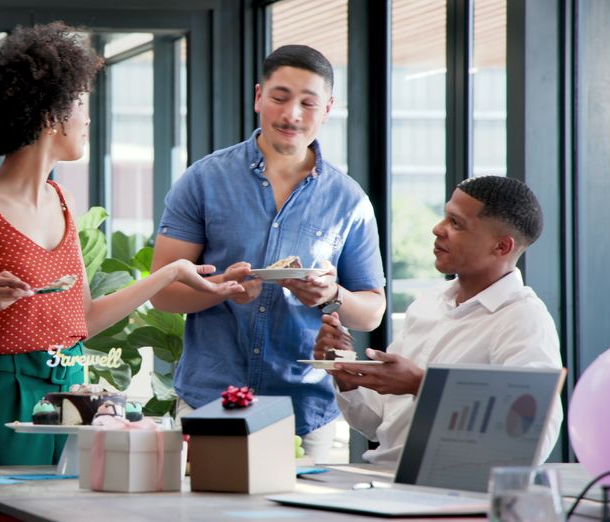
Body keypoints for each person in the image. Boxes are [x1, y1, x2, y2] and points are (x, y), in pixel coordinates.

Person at [0, 22, 243, 466]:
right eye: (82, 105)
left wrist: (167, 275)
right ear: (50, 115)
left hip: (70, 396)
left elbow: (82, 318)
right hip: (1, 396)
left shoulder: (63, 201)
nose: (88, 119)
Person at [150, 45, 387, 462]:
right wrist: (220, 289)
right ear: (259, 96)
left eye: (308, 103)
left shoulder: (348, 200)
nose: (291, 114)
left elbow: (371, 311)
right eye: (279, 97)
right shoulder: (204, 180)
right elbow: (164, 292)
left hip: (305, 409)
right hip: (212, 398)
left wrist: (332, 295)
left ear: (327, 108)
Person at [316, 175, 563, 464]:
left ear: (502, 247)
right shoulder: (429, 303)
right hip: (384, 481)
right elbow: (378, 423)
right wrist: (346, 376)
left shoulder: (523, 318)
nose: (437, 228)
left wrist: (422, 385)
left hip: (449, 491)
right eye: (445, 217)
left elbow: (532, 436)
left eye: (456, 223)